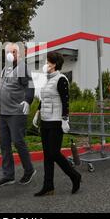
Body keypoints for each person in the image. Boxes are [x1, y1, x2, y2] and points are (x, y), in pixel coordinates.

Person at [0, 43, 36, 186]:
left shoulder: (22, 67)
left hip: (16, 113)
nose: (11, 54)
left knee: (18, 141)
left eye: (14, 51)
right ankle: (8, 175)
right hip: (2, 113)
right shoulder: (4, 69)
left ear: (19, 53)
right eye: (8, 52)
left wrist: (28, 100)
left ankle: (29, 170)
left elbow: (30, 85)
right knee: (4, 144)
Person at [32, 52, 81, 196]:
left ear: (54, 64)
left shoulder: (61, 79)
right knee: (47, 155)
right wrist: (38, 112)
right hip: (45, 121)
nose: (45, 64)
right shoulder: (47, 79)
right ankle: (48, 186)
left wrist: (65, 119)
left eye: (48, 62)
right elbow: (45, 98)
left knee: (54, 153)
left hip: (56, 121)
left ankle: (74, 176)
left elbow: (65, 101)